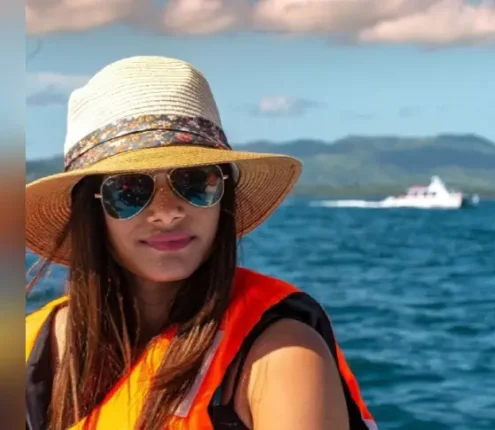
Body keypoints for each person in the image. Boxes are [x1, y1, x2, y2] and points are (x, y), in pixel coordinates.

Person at [25, 56, 377, 430]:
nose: (166, 213)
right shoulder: (26, 347)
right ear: (91, 211)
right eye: (128, 190)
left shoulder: (282, 355)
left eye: (194, 182)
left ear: (223, 194)